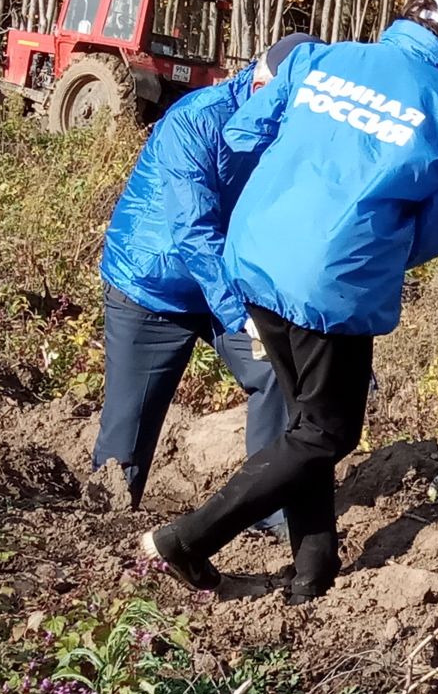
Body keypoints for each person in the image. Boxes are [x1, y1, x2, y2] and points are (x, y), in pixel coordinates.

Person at [141, 0, 438, 603]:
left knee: (307, 424)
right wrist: (383, 250)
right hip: (333, 280)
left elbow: (245, 129)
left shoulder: (320, 59)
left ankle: (314, 570)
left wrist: (295, 182)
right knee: (328, 434)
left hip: (255, 256)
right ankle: (188, 540)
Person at [92, 33, 319, 518]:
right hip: (153, 284)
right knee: (125, 442)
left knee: (277, 374)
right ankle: (107, 537)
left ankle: (269, 508)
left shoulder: (295, 131)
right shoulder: (198, 120)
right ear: (262, 82)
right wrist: (243, 315)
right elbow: (194, 230)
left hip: (226, 283)